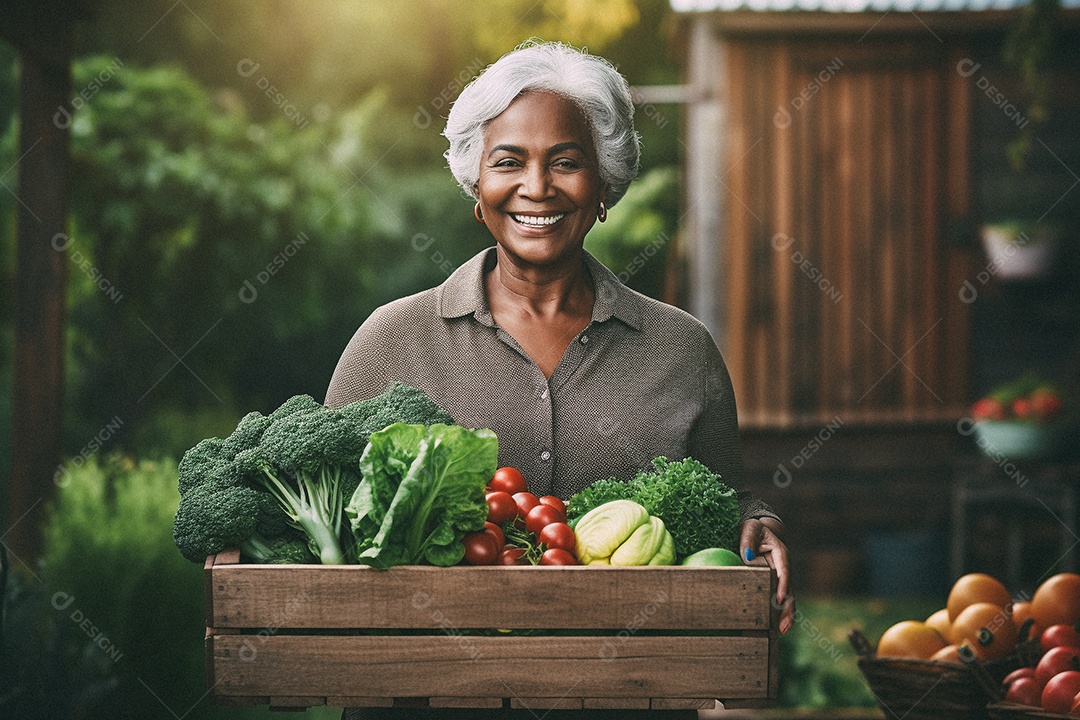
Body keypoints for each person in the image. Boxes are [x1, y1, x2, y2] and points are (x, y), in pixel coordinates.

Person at [327, 40, 793, 719]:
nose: (537, 186)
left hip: (628, 701)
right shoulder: (391, 340)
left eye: (566, 162)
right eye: (508, 161)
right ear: (476, 186)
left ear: (603, 185)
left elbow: (724, 504)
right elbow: (328, 513)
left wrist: (761, 523)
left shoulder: (680, 348)